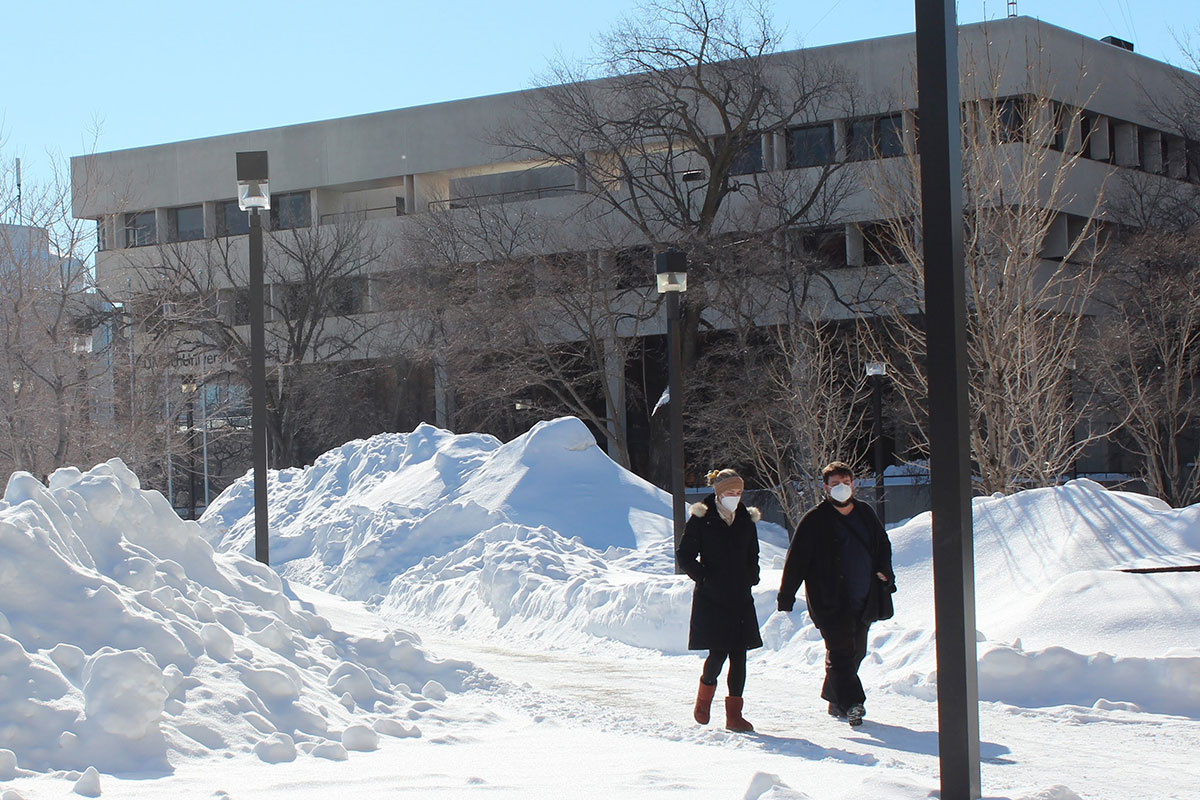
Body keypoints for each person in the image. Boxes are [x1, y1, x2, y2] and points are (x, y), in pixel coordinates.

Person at [777, 461, 895, 727]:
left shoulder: (865, 514)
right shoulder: (814, 520)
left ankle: (834, 696)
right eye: (835, 484)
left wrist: (886, 571)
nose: (841, 488)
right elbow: (796, 560)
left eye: (846, 482)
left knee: (857, 652)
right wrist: (786, 595)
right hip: (828, 600)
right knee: (840, 652)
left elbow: (882, 545)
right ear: (825, 488)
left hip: (863, 598)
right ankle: (854, 703)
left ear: (853, 484)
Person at [676, 468, 763, 733]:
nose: (734, 497)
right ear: (718, 492)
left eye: (738, 492)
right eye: (729, 492)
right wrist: (703, 577)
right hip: (712, 597)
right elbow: (685, 556)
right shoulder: (702, 519)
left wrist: (752, 575)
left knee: (740, 655)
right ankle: (704, 698)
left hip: (739, 596)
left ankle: (734, 716)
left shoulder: (746, 520)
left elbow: (753, 554)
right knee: (718, 653)